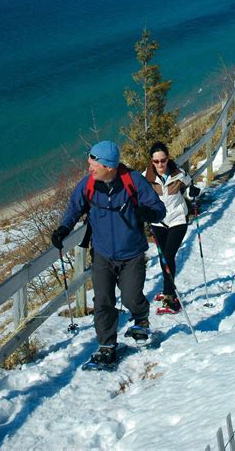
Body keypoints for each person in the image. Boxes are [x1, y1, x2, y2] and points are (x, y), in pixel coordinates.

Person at [51, 140, 165, 366]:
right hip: (102, 254)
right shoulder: (88, 185)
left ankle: (140, 318)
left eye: (94, 164)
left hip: (132, 253)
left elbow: (159, 210)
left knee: (131, 296)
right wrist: (64, 228)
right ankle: (106, 344)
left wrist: (148, 214)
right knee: (103, 300)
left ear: (109, 167)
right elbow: (74, 208)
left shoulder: (134, 182)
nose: (89, 168)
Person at [144, 141, 200, 314]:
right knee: (163, 258)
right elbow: (138, 196)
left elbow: (190, 187)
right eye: (156, 161)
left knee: (168, 256)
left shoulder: (179, 174)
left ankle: (170, 296)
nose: (160, 164)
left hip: (177, 219)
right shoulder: (145, 178)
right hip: (158, 222)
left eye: (163, 160)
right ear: (152, 161)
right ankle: (167, 289)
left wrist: (192, 192)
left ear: (168, 159)